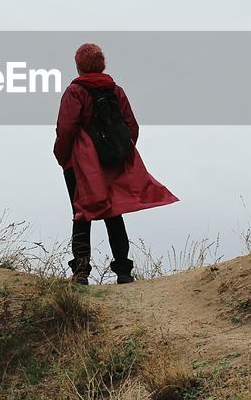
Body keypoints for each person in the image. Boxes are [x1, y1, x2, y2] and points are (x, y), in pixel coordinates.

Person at [53, 43, 178, 284]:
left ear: (78, 66)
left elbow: (66, 128)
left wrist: (62, 157)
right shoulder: (116, 90)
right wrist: (120, 152)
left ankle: (80, 272)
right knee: (114, 211)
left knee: (81, 213)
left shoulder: (74, 92)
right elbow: (132, 125)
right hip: (111, 160)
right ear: (102, 64)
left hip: (81, 162)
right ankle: (123, 271)